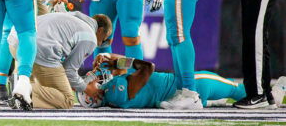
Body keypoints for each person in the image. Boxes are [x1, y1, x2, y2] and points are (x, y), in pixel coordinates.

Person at [77, 54, 286, 109]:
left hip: (176, 95)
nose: (93, 79)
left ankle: (211, 102)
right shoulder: (115, 90)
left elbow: (127, 76)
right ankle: (281, 88)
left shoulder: (114, 97)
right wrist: (116, 61)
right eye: (90, 84)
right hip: (191, 85)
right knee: (245, 92)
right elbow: (147, 67)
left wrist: (111, 63)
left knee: (228, 93)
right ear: (94, 95)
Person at [7, 11, 112, 109]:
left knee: (45, 85)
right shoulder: (90, 37)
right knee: (67, 99)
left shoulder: (73, 16)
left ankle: (21, 80)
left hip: (15, 42)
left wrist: (76, 83)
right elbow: (69, 71)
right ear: (100, 30)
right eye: (104, 39)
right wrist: (87, 88)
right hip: (39, 51)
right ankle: (22, 89)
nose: (100, 44)